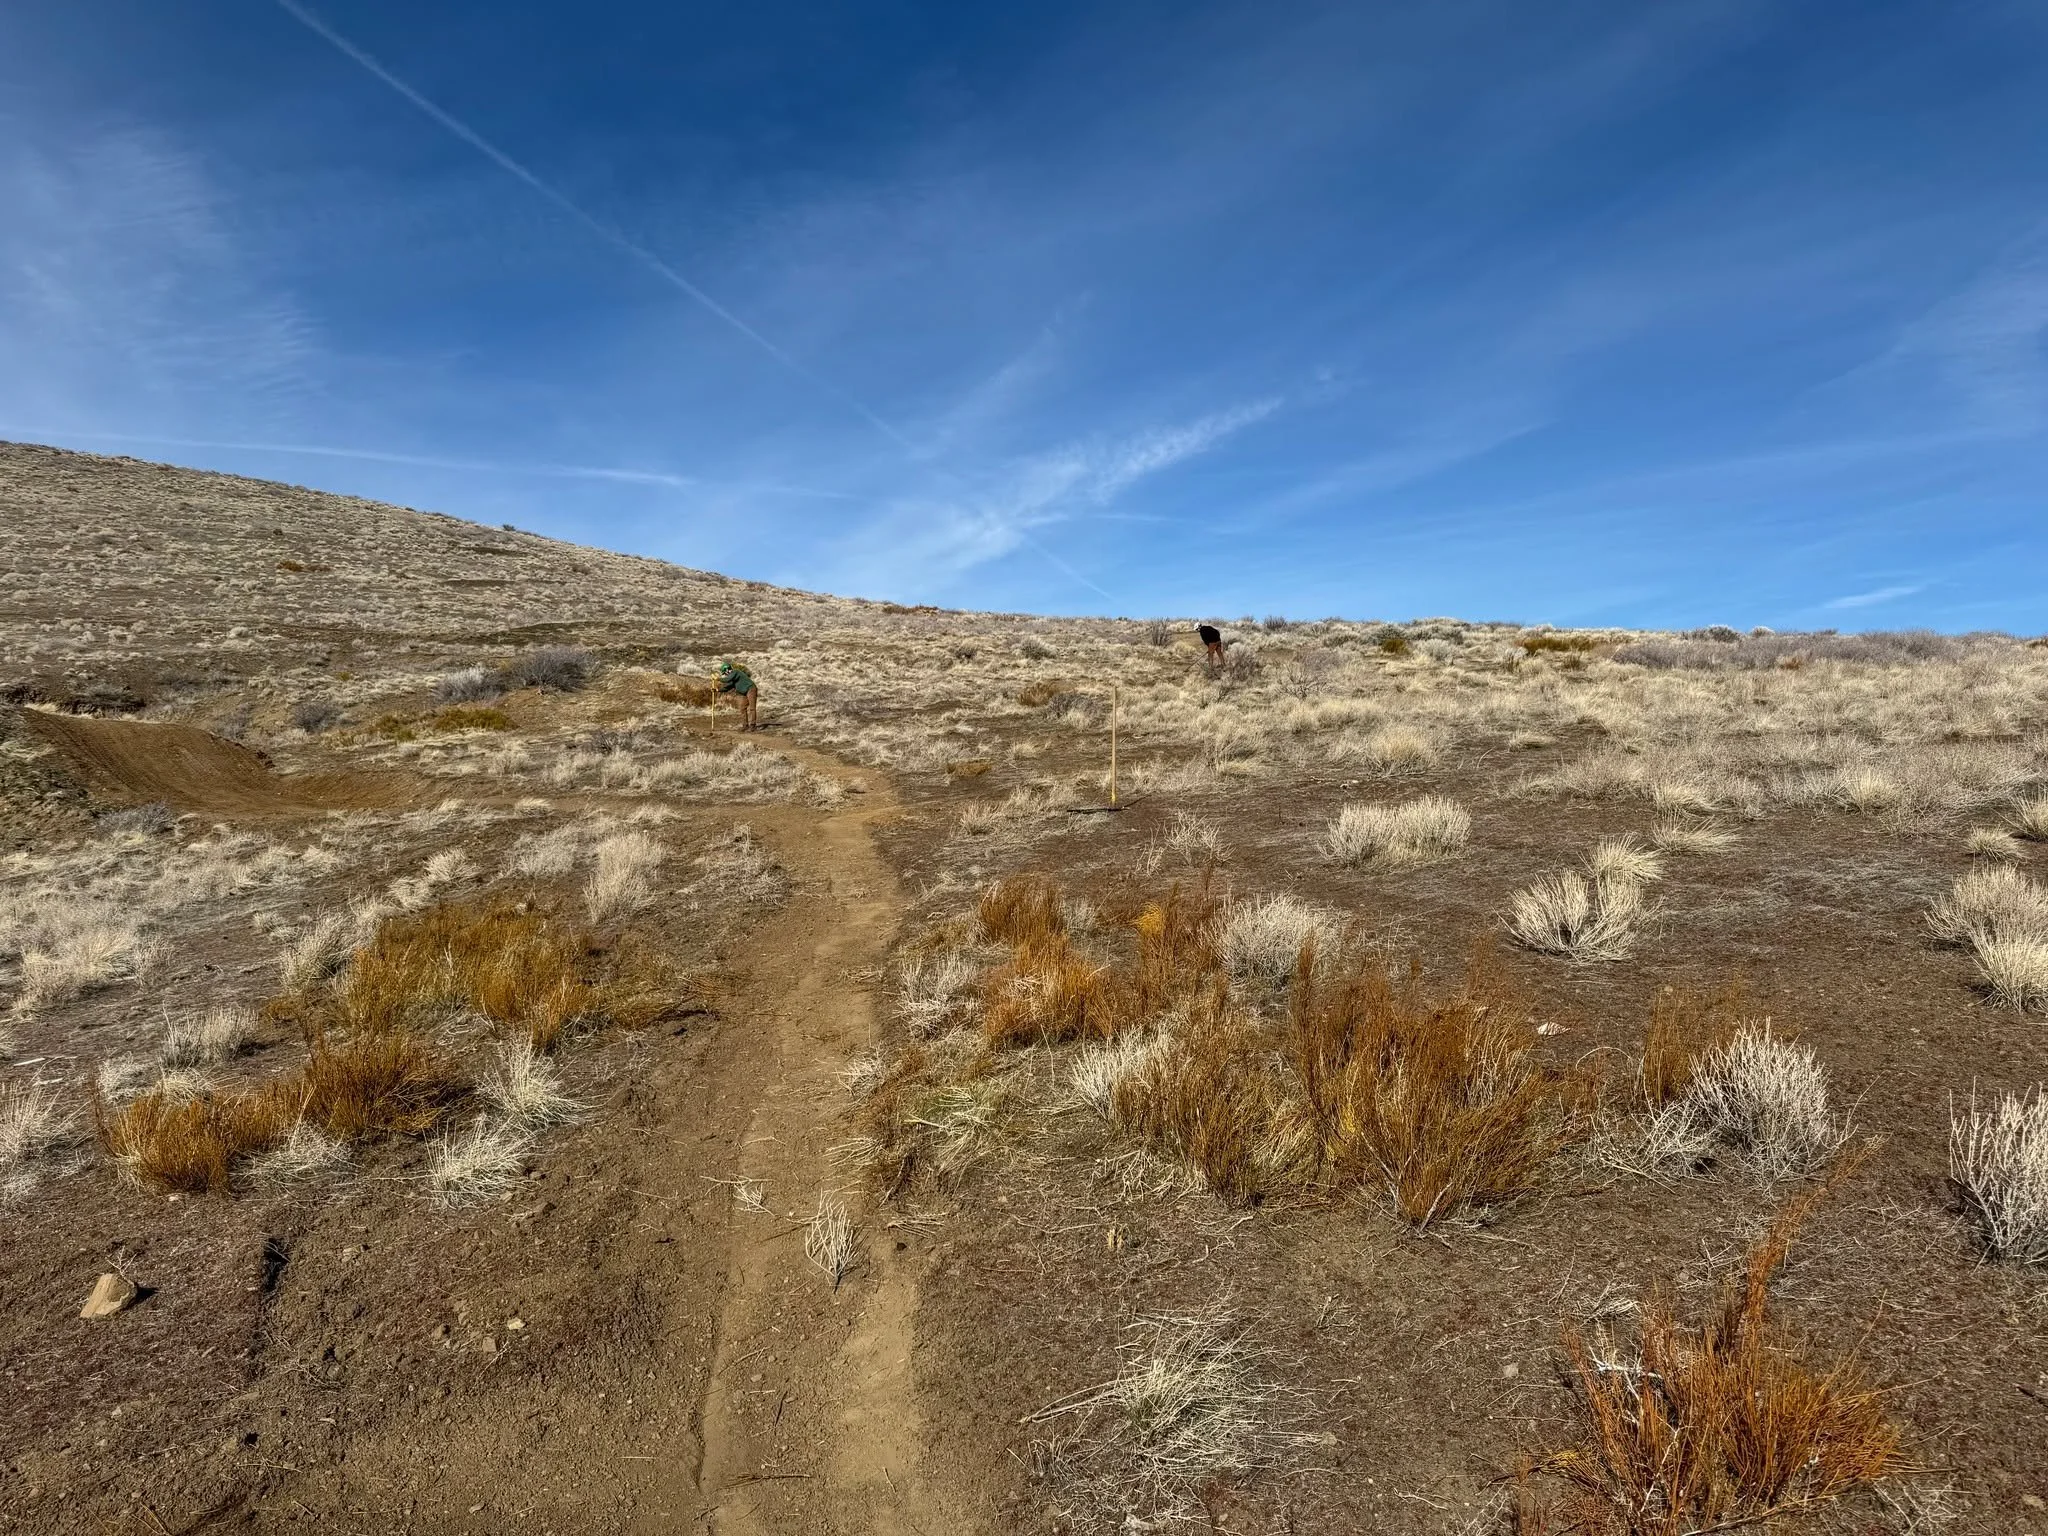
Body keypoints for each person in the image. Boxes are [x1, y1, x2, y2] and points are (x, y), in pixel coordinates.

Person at [715, 659, 762, 731]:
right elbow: (727, 687)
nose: (725, 675)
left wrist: (718, 678)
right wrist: (717, 690)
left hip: (751, 689)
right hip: (743, 692)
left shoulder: (735, 672)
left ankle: (753, 725)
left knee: (752, 708)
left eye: (725, 673)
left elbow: (727, 679)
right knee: (742, 708)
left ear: (727, 670)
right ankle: (745, 725)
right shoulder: (732, 678)